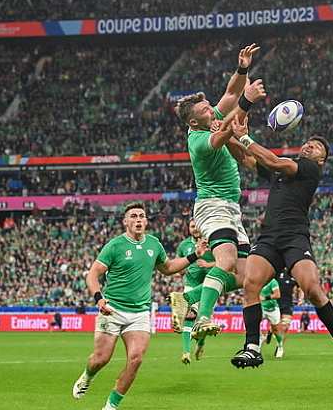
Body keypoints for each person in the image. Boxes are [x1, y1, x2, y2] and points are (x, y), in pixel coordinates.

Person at [228, 116, 333, 371]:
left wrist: (244, 137)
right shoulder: (282, 172)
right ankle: (252, 348)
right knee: (250, 284)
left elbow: (271, 160)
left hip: (294, 237)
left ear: (321, 159)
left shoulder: (309, 169)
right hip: (269, 237)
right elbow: (247, 160)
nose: (308, 146)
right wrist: (228, 136)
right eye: (307, 143)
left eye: (315, 147)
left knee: (312, 288)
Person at [71, 202, 202, 410]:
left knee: (136, 359)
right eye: (133, 216)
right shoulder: (115, 246)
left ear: (146, 221)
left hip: (140, 313)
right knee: (101, 359)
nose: (138, 219)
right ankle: (88, 376)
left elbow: (168, 268)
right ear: (125, 222)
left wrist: (194, 255)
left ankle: (111, 406)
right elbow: (93, 274)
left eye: (142, 216)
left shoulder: (154, 244)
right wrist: (99, 298)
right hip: (112, 309)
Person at [174, 44, 263, 338]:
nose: (210, 110)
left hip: (230, 208)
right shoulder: (199, 142)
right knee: (224, 262)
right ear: (193, 121)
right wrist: (247, 104)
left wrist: (242, 69)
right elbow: (226, 130)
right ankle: (202, 318)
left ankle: (186, 298)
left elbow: (229, 95)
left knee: (246, 275)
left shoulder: (207, 116)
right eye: (204, 111)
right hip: (212, 206)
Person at [169, 220, 215, 364]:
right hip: (191, 284)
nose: (195, 229)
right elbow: (179, 263)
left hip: (210, 285)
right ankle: (186, 352)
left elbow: (224, 262)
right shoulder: (184, 246)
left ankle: (200, 344)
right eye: (192, 226)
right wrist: (179, 272)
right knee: (189, 316)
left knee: (202, 323)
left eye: (197, 226)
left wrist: (208, 264)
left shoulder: (212, 243)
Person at [274, 271, 298, 358]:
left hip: (288, 304)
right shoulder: (276, 271)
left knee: (285, 327)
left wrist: (301, 298)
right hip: (275, 304)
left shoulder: (293, 274)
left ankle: (280, 347)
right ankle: (270, 333)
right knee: (276, 327)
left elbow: (300, 288)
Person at [259, 278, 283, 352]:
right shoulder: (257, 280)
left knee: (275, 329)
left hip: (272, 309)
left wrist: (265, 298)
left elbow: (277, 295)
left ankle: (279, 346)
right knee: (253, 325)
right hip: (261, 307)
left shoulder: (272, 281)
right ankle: (259, 342)